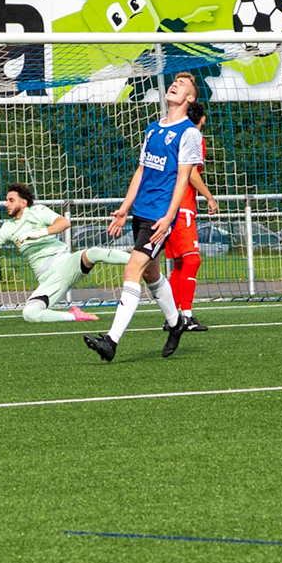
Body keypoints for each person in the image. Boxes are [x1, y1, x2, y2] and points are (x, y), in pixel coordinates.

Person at [85, 71, 203, 361]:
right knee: (151, 273)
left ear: (190, 98)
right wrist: (125, 208)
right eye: (174, 82)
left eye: (182, 85)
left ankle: (111, 342)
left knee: (132, 269)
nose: (175, 85)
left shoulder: (189, 132)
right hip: (141, 211)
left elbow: (183, 178)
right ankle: (176, 323)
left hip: (160, 215)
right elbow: (141, 170)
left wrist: (170, 217)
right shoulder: (153, 128)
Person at [0, 183, 131, 323]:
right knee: (29, 313)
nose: (6, 204)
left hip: (65, 262)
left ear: (23, 202)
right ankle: (75, 316)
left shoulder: (38, 211)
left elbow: (64, 223)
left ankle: (137, 260)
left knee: (93, 252)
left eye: (10, 200)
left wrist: (39, 233)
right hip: (49, 278)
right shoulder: (7, 228)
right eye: (6, 200)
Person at [163, 100, 219, 332]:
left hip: (167, 206)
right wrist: (209, 197)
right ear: (202, 119)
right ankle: (186, 316)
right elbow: (192, 173)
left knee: (179, 263)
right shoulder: (194, 137)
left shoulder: (172, 136)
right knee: (192, 259)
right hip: (182, 206)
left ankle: (172, 317)